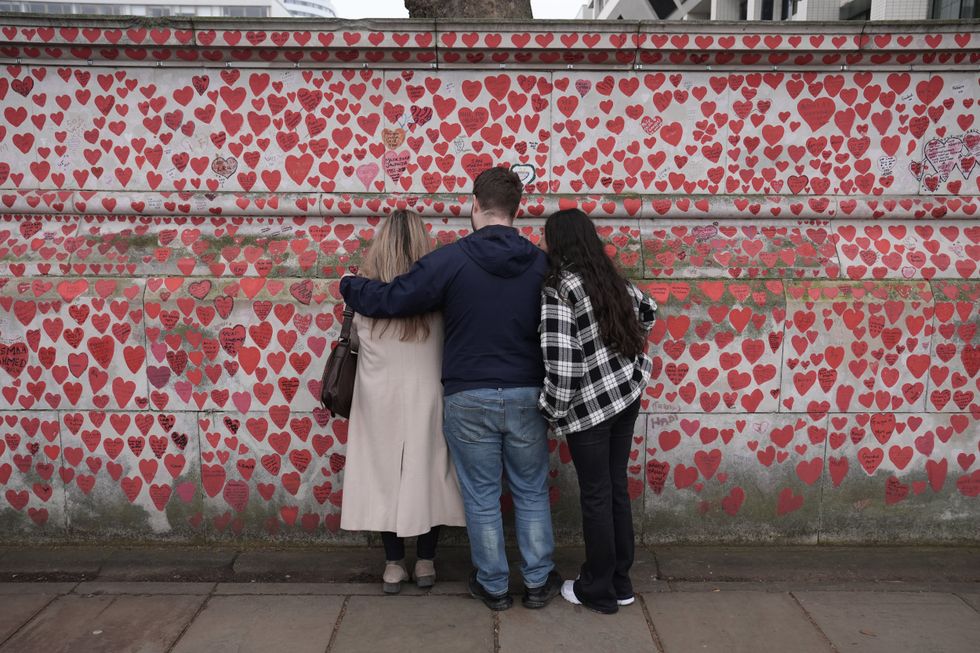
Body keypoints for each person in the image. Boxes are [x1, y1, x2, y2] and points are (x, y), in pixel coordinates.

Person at [340, 167, 562, 611]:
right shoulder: (542, 263)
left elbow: (392, 300)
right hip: (526, 392)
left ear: (474, 205)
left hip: (468, 395)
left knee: (481, 494)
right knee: (531, 489)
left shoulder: (450, 260)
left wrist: (350, 285)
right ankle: (538, 583)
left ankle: (494, 586)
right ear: (517, 210)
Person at [339, 209, 466, 595]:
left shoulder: (363, 296)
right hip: (429, 396)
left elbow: (355, 343)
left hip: (377, 400)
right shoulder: (440, 298)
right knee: (430, 475)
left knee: (383, 477)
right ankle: (426, 561)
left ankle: (393, 564)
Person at [538, 208, 657, 615]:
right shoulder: (609, 277)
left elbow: (564, 363)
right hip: (626, 393)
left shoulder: (559, 287)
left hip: (589, 407)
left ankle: (598, 589)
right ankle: (621, 582)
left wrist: (550, 411)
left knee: (596, 494)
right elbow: (649, 311)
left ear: (558, 242)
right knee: (615, 487)